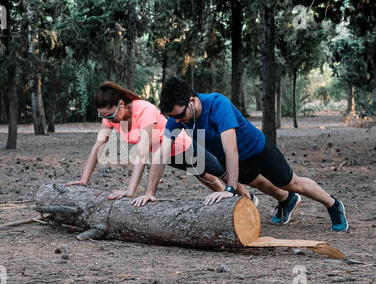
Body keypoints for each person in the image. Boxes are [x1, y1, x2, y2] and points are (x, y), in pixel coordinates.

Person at [132, 77, 348, 232]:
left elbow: (231, 148)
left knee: (291, 182)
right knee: (261, 185)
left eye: (179, 115)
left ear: (191, 101)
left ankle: (333, 204)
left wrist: (229, 189)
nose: (177, 121)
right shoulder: (176, 118)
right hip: (236, 162)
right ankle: (287, 202)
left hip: (258, 150)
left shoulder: (218, 104)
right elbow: (161, 154)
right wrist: (150, 191)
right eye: (173, 117)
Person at [65, 81, 252, 201]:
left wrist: (131, 190)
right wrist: (83, 180)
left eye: (111, 115)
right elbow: (98, 146)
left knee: (219, 173)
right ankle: (229, 205)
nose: (109, 120)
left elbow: (142, 152)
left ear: (121, 105)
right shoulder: (110, 118)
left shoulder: (144, 110)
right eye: (103, 117)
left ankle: (247, 198)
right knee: (203, 176)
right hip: (164, 156)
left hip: (181, 146)